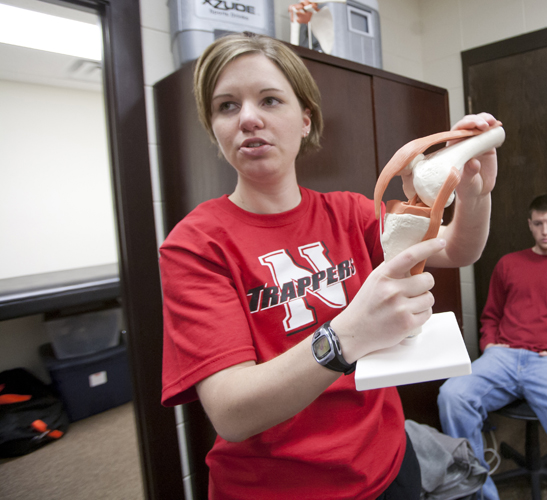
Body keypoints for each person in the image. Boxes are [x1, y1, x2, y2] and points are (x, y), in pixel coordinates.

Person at [158, 32, 500, 499]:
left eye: (270, 99)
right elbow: (232, 413)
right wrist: (347, 335)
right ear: (214, 128)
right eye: (227, 106)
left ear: (304, 120)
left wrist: (475, 196)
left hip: (388, 467)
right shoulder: (196, 245)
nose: (249, 119)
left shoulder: (351, 213)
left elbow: (457, 251)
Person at [438, 194, 547, 500]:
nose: (545, 231)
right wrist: (490, 345)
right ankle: (480, 494)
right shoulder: (509, 264)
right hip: (502, 357)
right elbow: (491, 315)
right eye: (538, 224)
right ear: (530, 225)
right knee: (452, 395)